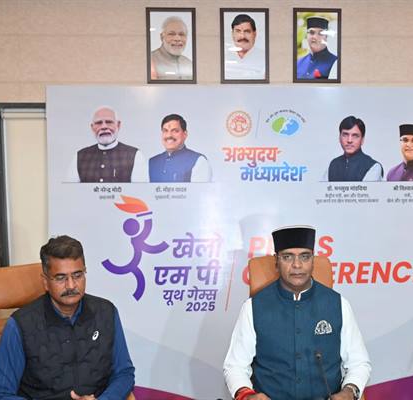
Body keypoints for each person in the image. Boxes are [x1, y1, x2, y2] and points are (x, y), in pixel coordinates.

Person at [223, 225, 371, 400]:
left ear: (313, 260)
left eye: (305, 256)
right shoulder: (253, 307)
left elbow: (359, 362)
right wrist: (246, 395)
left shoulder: (338, 304)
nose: (297, 265)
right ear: (276, 261)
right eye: (288, 257)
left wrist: (350, 391)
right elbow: (235, 366)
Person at [0, 235, 135, 399]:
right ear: (45, 282)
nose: (71, 285)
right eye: (61, 278)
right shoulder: (19, 325)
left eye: (77, 275)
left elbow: (124, 373)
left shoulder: (106, 312)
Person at [67, 106, 146, 183]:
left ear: (118, 125)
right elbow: (70, 190)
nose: (104, 127)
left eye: (109, 122)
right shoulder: (80, 156)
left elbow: (140, 190)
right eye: (98, 123)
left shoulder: (134, 155)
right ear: (92, 127)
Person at [148, 113, 211, 182]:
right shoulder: (152, 163)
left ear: (185, 134)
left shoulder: (198, 161)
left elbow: (200, 189)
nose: (169, 135)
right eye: (165, 131)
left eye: (175, 131)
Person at [323, 116, 383, 181]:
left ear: (362, 140)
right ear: (339, 138)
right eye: (345, 135)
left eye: (355, 136)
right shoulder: (333, 164)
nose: (349, 140)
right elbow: (322, 187)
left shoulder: (373, 167)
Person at [150, 16, 194, 80]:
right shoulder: (150, 60)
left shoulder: (189, 64)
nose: (177, 39)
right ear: (162, 37)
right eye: (171, 34)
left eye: (181, 34)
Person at [224, 14, 265, 80]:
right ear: (232, 34)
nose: (242, 36)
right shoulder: (224, 57)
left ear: (254, 34)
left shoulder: (265, 57)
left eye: (247, 31)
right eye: (238, 31)